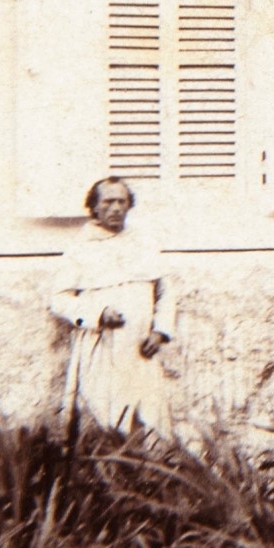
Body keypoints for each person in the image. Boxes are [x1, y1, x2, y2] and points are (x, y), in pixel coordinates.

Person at [50, 177, 173, 435]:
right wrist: (97, 314)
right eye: (108, 202)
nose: (116, 208)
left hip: (142, 350)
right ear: (94, 208)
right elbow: (59, 300)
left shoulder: (144, 245)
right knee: (107, 422)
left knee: (150, 423)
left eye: (122, 201)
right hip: (102, 348)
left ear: (129, 206)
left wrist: (160, 332)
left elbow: (165, 293)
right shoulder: (80, 249)